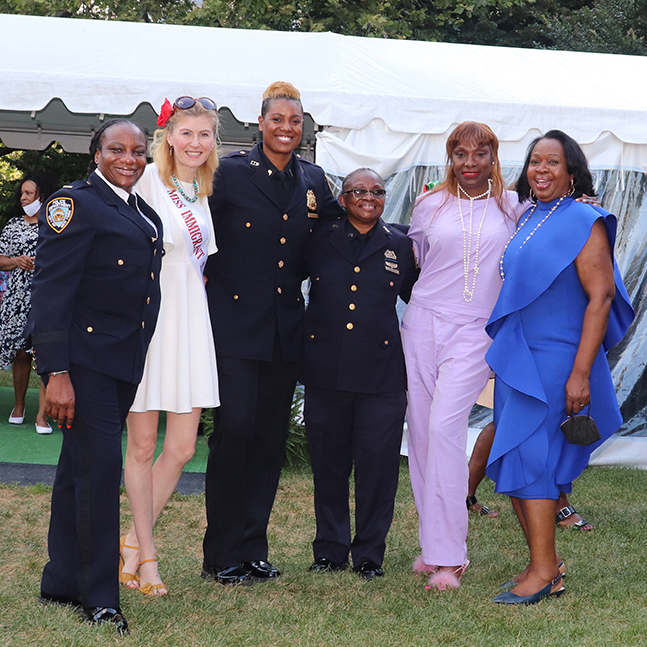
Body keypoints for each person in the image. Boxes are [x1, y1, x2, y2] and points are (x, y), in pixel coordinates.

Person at [202, 81, 345, 585]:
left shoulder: (313, 178)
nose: (287, 127)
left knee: (267, 440)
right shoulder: (229, 172)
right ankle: (220, 553)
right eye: (278, 119)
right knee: (234, 434)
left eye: (295, 120)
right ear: (259, 123)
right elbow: (194, 231)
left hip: (285, 329)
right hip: (235, 326)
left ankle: (252, 548)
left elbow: (334, 234)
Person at [487, 130, 633, 605]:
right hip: (521, 354)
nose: (542, 170)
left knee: (534, 461)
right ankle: (542, 565)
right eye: (534, 162)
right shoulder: (530, 214)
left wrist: (580, 373)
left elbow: (601, 297)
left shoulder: (585, 219)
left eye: (552, 163)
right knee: (515, 457)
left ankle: (545, 569)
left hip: (556, 360)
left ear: (571, 171)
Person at [29, 119, 163, 633]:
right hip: (84, 364)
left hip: (121, 361)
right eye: (116, 149)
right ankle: (99, 595)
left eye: (137, 150)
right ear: (96, 154)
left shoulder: (136, 208)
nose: (129, 158)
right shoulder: (74, 204)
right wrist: (55, 372)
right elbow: (51, 290)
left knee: (77, 470)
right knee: (100, 473)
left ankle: (62, 580)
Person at [401, 121, 527, 591]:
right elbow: (413, 263)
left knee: (444, 428)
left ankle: (451, 557)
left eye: (479, 153)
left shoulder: (515, 207)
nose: (469, 163)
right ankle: (434, 548)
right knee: (422, 435)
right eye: (460, 154)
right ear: (449, 158)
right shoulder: (428, 205)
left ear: (493, 156)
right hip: (422, 324)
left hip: (476, 331)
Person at [119, 97, 220, 597]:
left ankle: (130, 544)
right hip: (153, 320)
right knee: (141, 445)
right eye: (187, 134)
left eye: (205, 135)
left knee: (180, 448)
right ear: (168, 137)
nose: (195, 143)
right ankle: (146, 555)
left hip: (191, 320)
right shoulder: (147, 184)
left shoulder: (200, 190)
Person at [302, 168, 418, 580]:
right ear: (344, 197)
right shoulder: (318, 239)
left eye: (377, 192)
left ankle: (369, 554)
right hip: (325, 372)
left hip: (382, 377)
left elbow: (425, 298)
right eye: (358, 191)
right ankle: (330, 550)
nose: (368, 197)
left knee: (378, 469)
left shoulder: (401, 247)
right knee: (329, 466)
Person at [0, 172, 57, 434]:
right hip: (17, 298)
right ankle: (19, 405)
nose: (23, 198)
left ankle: (42, 416)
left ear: (41, 196)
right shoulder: (13, 225)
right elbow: (1, 258)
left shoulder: (56, 224)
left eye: (28, 193)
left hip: (47, 296)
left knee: (45, 353)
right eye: (21, 193)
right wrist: (16, 262)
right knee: (21, 352)